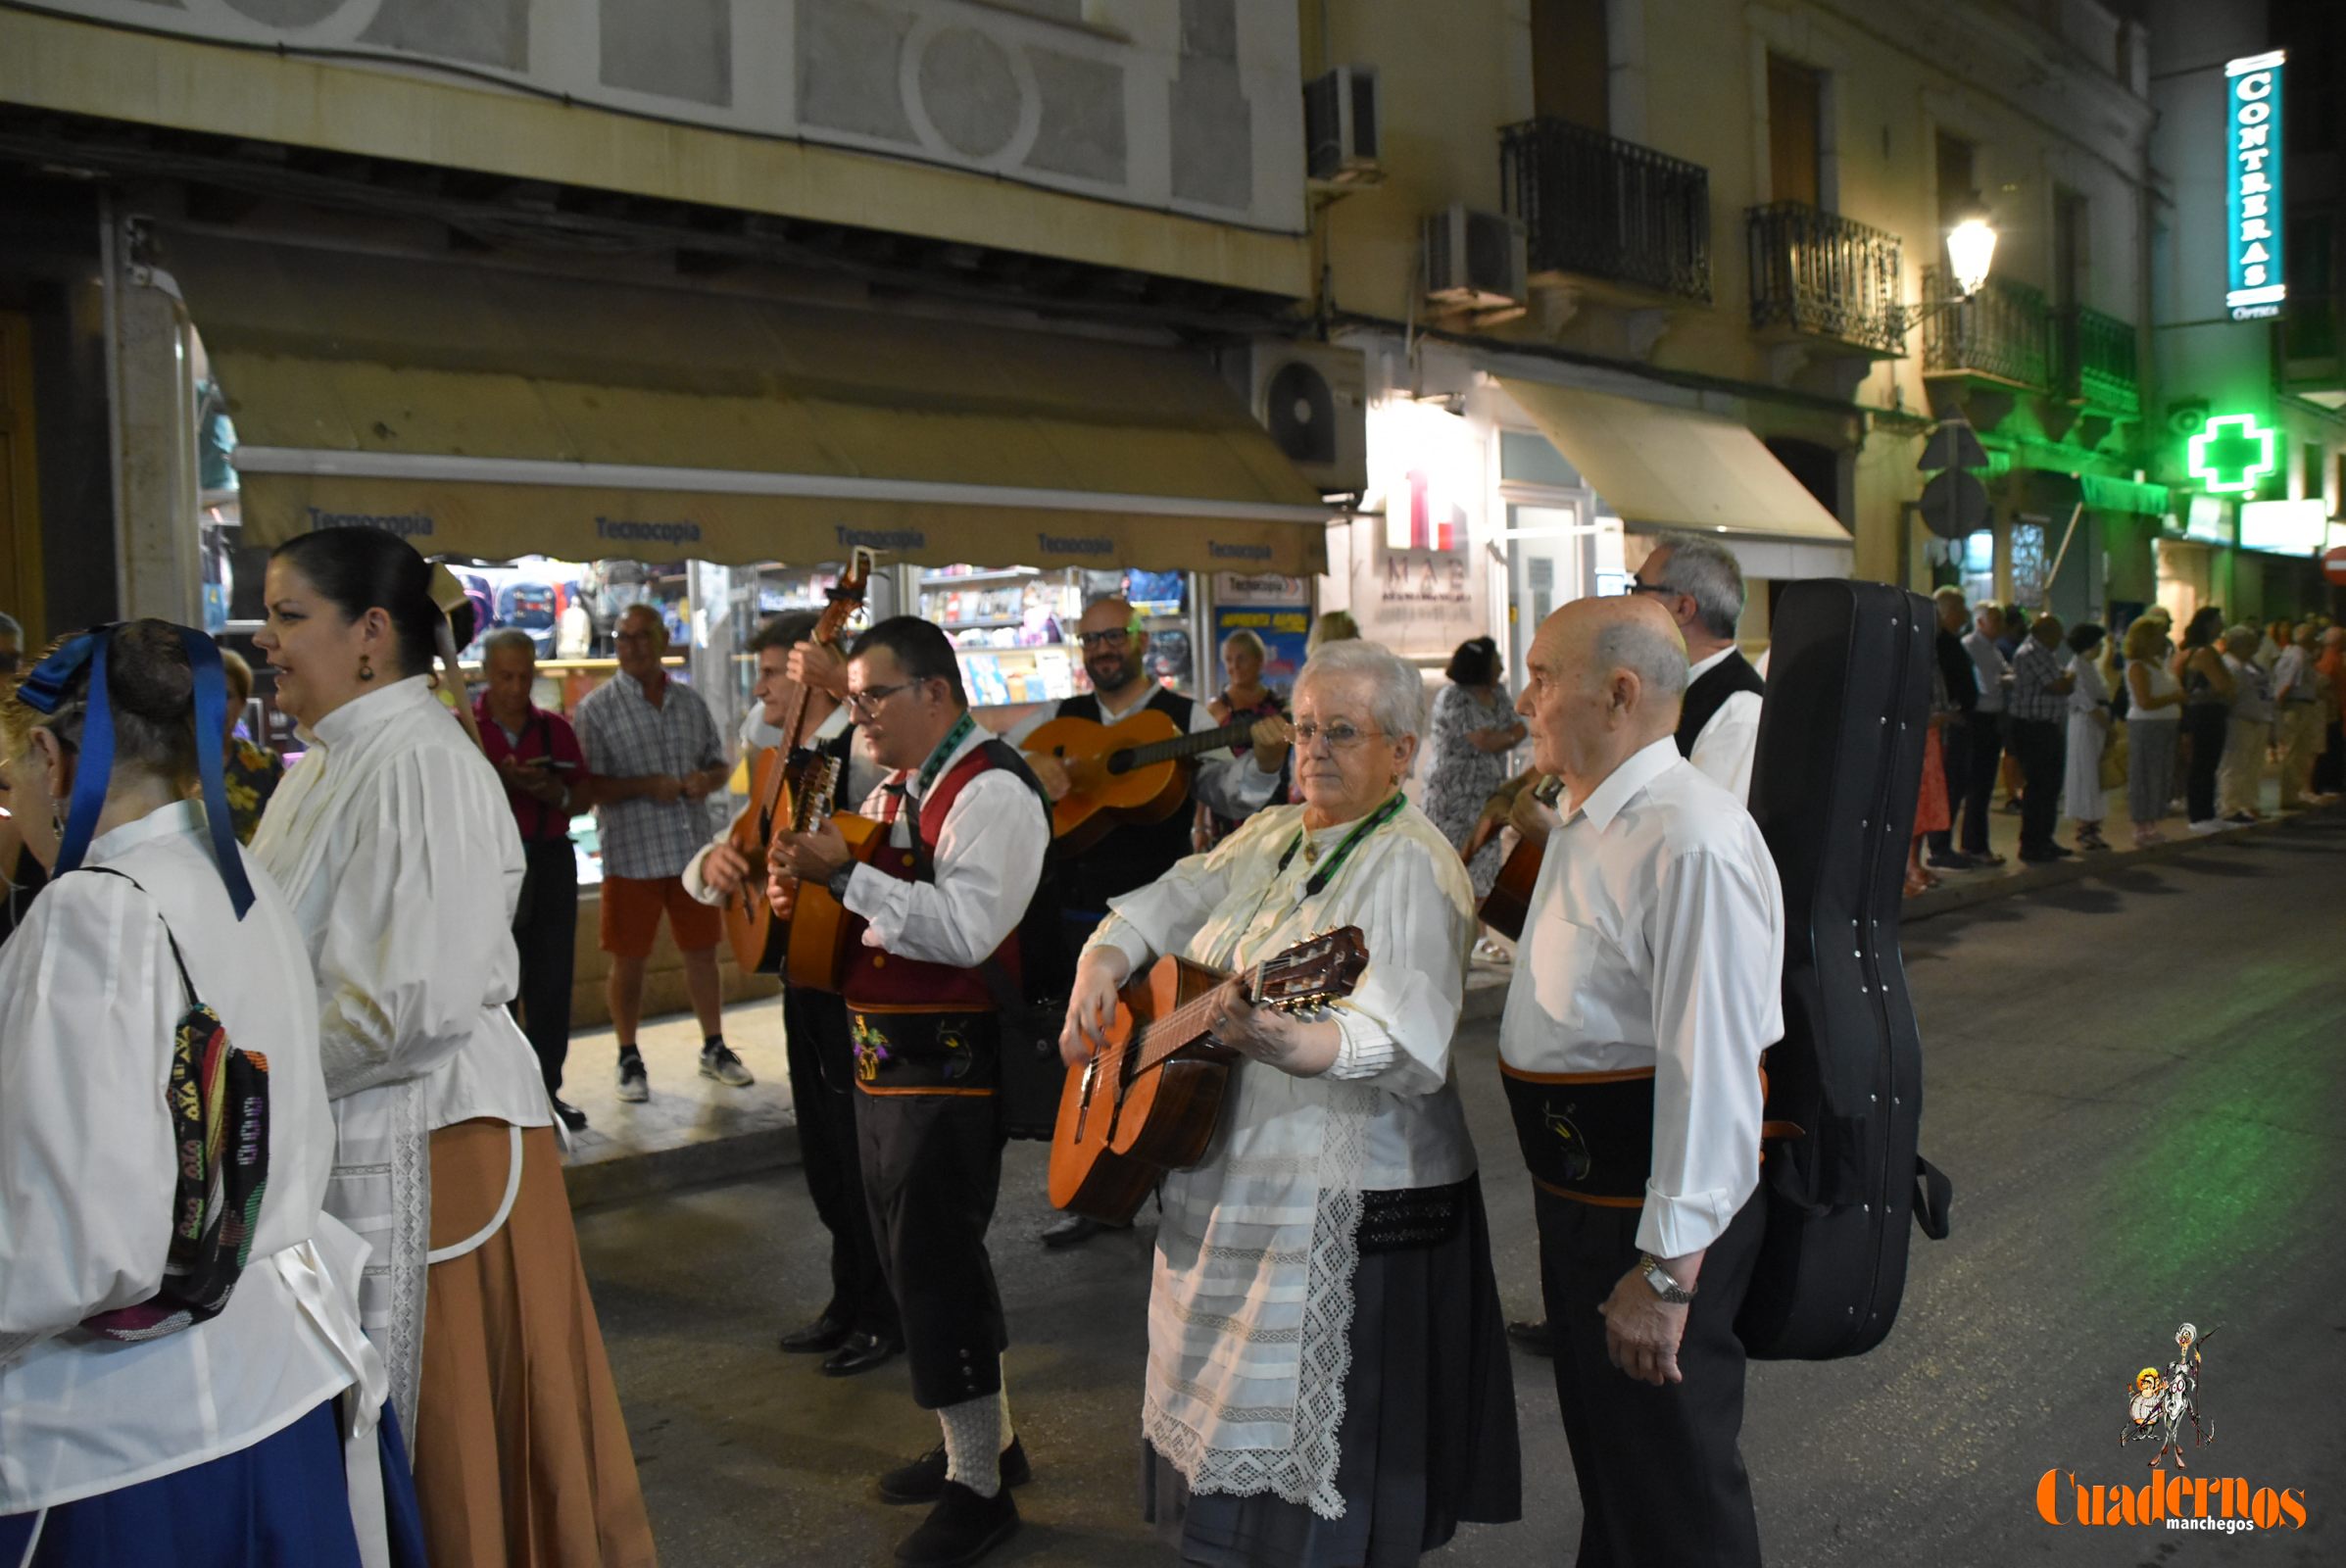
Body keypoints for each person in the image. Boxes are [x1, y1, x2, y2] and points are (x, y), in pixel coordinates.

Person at [1062, 638, 1521, 1565]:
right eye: (1305, 727)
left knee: (1327, 1490)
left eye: (1341, 732)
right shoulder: (1274, 833)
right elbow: (1167, 898)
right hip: (1234, 1194)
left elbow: (1412, 1033)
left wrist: (1300, 1042)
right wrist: (1102, 962)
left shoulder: (1413, 863)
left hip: (1350, 1212)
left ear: (1402, 749)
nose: (1311, 749)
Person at [249, 528, 656, 1567]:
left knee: (456, 1455)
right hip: (367, 1128)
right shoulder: (328, 760)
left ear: (372, 633)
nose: (268, 639)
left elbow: (406, 1005)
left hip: (439, 1143)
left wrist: (247, 1079)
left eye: (290, 615)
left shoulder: (423, 763)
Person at [0, 619, 420, 1567]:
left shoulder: (94, 909)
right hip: (280, 1379)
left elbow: (76, 1243)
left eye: (7, 780)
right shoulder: (233, 878)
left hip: (135, 1439)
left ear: (46, 756)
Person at [1499, 595, 1784, 1567]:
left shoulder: (1688, 837)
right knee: (1618, 1469)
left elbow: (1715, 1072)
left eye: (1541, 676)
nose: (1524, 698)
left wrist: (1666, 1272)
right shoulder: (1592, 817)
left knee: (1675, 1487)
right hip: (1586, 1203)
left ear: (1618, 692)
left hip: (1651, 1220)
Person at [766, 616, 1052, 1568]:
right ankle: (985, 1445)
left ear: (937, 692)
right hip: (887, 1059)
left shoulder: (993, 792)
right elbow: (871, 910)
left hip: (951, 1065)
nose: (860, 716)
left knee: (935, 1262)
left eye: (872, 696)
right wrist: (798, 890)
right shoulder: (901, 785)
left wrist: (845, 874)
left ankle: (980, 1488)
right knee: (910, 1262)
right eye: (851, 699)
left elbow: (965, 928)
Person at [1013, 596, 1288, 1249]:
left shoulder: (1184, 717)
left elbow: (1228, 796)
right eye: (1090, 640)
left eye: (1114, 636)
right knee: (1090, 1050)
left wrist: (1269, 763)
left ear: (1140, 639)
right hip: (1076, 907)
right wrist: (1029, 766)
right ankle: (1098, 1188)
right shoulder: (1059, 719)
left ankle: (1172, 1187)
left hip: (1163, 916)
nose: (1103, 649)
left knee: (1161, 1058)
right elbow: (999, 758)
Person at [686, 612, 902, 1379]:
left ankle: (886, 1310)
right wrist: (713, 862)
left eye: (774, 671)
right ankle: (849, 1300)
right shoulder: (781, 757)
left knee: (861, 1151)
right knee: (823, 1153)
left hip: (853, 977)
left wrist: (843, 688)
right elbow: (742, 837)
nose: (761, 686)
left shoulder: (862, 753)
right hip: (801, 976)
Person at [573, 603, 751, 1102]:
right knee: (628, 959)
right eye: (622, 638)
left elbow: (719, 766)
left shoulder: (690, 703)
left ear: (661, 640)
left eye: (639, 637)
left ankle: (714, 1045)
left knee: (701, 952)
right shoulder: (596, 709)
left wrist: (705, 780)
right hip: (632, 854)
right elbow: (590, 788)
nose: (630, 646)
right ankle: (628, 1054)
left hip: (691, 852)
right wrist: (643, 786)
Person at [474, 628, 594, 1132]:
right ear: (486, 674)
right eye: (505, 676)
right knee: (493, 987)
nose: (515, 687)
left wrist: (552, 791)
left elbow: (583, 798)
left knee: (550, 981)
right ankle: (498, 1096)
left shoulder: (555, 731)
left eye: (524, 676)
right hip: (486, 868)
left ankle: (547, 1092)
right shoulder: (463, 728)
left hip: (547, 862)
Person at [1631, 531, 1765, 799]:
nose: (1630, 601)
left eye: (1639, 588)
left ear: (1683, 608)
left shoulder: (1739, 714)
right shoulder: (1668, 690)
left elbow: (1705, 833)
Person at [1422, 634, 1525, 900]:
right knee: (1449, 874)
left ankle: (1478, 939)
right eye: (1496, 661)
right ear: (1480, 666)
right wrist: (1505, 737)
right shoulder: (1454, 697)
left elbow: (1520, 729)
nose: (1501, 667)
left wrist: (1503, 737)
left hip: (1487, 797)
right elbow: (1483, 740)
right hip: (1452, 800)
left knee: (1482, 876)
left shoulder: (1498, 693)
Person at [1197, 627, 1291, 850]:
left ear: (1259, 660)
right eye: (1228, 660)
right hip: (1228, 813)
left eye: (1241, 659)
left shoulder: (1280, 708)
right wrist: (1200, 824)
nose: (1234, 667)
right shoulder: (1216, 708)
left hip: (1273, 808)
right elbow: (1202, 769)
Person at [2006, 613, 2076, 862]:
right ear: (2045, 633)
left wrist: (2066, 679)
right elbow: (2058, 685)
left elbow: (2061, 679)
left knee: (2050, 786)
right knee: (2038, 786)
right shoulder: (2031, 652)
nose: (2060, 640)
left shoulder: (2046, 653)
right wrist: (2069, 679)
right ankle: (2032, 843)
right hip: (2033, 728)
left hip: (2047, 727)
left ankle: (2045, 838)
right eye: (2058, 635)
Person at [1926, 587, 1983, 869]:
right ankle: (1939, 847)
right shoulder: (1937, 646)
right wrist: (1951, 712)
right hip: (1945, 727)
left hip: (1957, 722)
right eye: (1961, 608)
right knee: (1945, 789)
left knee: (1957, 786)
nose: (1965, 614)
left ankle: (1945, 844)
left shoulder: (1951, 642)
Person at [2122, 617, 2182, 848]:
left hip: (2166, 723)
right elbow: (2144, 701)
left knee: (2161, 774)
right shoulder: (2137, 666)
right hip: (2147, 725)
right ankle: (2141, 824)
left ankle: (2153, 822)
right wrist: (2175, 698)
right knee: (2144, 774)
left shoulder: (2159, 663)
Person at [216, 648, 286, 843]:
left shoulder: (264, 765)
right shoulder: (170, 766)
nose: (216, 705)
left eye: (226, 696)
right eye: (207, 695)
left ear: (242, 701)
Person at [1959, 604, 2012, 862]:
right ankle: (1974, 845)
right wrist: (2005, 681)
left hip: (1992, 718)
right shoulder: (1971, 646)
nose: (2000, 625)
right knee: (1977, 786)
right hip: (1978, 719)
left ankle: (1977, 843)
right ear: (1980, 622)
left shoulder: (1993, 648)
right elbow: (1989, 685)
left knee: (1985, 785)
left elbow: (2004, 673)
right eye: (1995, 620)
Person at [2175, 608, 2235, 832]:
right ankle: (2200, 815)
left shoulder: (2185, 652)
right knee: (2204, 762)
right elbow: (2223, 685)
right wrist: (2227, 689)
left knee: (2203, 763)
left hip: (2194, 713)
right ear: (2208, 624)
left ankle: (2206, 813)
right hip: (2207, 713)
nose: (2222, 626)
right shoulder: (2204, 653)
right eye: (2219, 621)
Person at [2062, 623, 2112, 852]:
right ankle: (2085, 826)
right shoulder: (2076, 668)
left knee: (2095, 774)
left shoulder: (2090, 666)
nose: (2100, 648)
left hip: (2095, 723)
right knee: (2086, 773)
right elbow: (2086, 701)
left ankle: (2093, 825)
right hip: (2086, 723)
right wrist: (2107, 724)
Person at [2217, 624, 2272, 825]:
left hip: (2257, 717)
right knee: (2234, 765)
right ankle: (2229, 806)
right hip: (2239, 719)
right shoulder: (2230, 666)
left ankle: (2249, 803)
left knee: (2253, 766)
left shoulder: (2250, 665)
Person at [2272, 623, 2326, 809]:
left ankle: (2294, 793)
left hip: (2299, 705)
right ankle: (2289, 795)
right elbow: (2287, 683)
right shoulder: (2298, 657)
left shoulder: (2295, 655)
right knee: (2293, 752)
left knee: (2299, 752)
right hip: (2296, 707)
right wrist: (2278, 707)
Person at [2315, 626, 2345, 797]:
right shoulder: (2330, 659)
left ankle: (2333, 781)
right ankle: (2329, 782)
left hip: (2337, 708)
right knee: (2331, 747)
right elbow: (2323, 683)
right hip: (2331, 711)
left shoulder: (2336, 658)